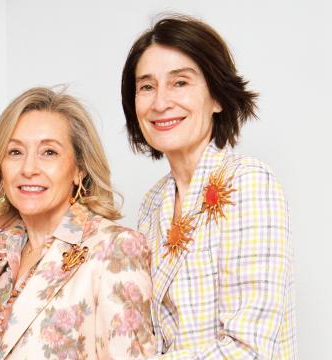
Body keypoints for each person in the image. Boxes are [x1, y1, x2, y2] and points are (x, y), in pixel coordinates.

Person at [121, 15, 296, 358]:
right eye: (146, 86)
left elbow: (250, 347)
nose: (160, 103)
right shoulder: (152, 203)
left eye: (180, 83)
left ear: (216, 97)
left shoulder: (249, 182)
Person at [0, 87, 155, 359]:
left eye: (49, 152)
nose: (29, 168)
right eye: (15, 152)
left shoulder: (115, 249)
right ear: (0, 170)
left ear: (79, 169)